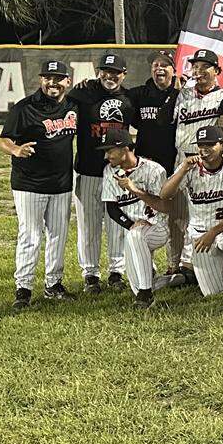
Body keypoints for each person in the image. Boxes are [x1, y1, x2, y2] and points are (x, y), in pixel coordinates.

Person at [0, 59, 78, 308]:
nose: (52, 82)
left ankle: (53, 285)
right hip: (29, 184)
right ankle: (23, 289)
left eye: (57, 78)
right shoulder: (24, 108)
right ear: (41, 80)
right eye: (47, 77)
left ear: (68, 81)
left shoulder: (73, 106)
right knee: (30, 236)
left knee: (58, 236)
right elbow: (3, 140)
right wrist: (15, 149)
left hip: (62, 183)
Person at [147, 126, 223, 306]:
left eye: (210, 144)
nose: (204, 149)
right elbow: (164, 195)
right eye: (201, 145)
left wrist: (212, 233)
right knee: (212, 292)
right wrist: (183, 170)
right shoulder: (190, 168)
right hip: (200, 235)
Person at [67, 53, 136, 293]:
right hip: (87, 169)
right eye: (106, 71)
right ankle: (91, 274)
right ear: (99, 72)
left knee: (117, 222)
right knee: (89, 225)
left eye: (116, 72)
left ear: (123, 74)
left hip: (117, 172)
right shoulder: (82, 93)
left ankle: (117, 272)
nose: (110, 76)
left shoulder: (128, 99)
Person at [162, 48, 223, 281]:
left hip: (206, 160)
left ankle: (198, 263)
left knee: (203, 213)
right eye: (195, 67)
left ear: (217, 71)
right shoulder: (183, 95)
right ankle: (175, 263)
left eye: (204, 67)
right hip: (182, 158)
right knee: (177, 215)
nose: (198, 72)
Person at [97, 128, 172, 309]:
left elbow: (165, 207)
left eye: (110, 150)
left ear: (125, 148)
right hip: (134, 231)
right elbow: (111, 207)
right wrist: (130, 224)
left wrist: (134, 190)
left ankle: (146, 295)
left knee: (136, 236)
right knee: (136, 284)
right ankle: (167, 280)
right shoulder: (109, 171)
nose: (107, 156)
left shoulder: (154, 170)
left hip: (158, 227)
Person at [125, 51, 185, 277]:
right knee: (144, 215)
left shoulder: (181, 95)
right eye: (155, 64)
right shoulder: (139, 94)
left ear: (174, 70)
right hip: (145, 166)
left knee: (176, 217)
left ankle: (175, 263)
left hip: (172, 164)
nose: (159, 68)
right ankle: (146, 263)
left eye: (165, 65)